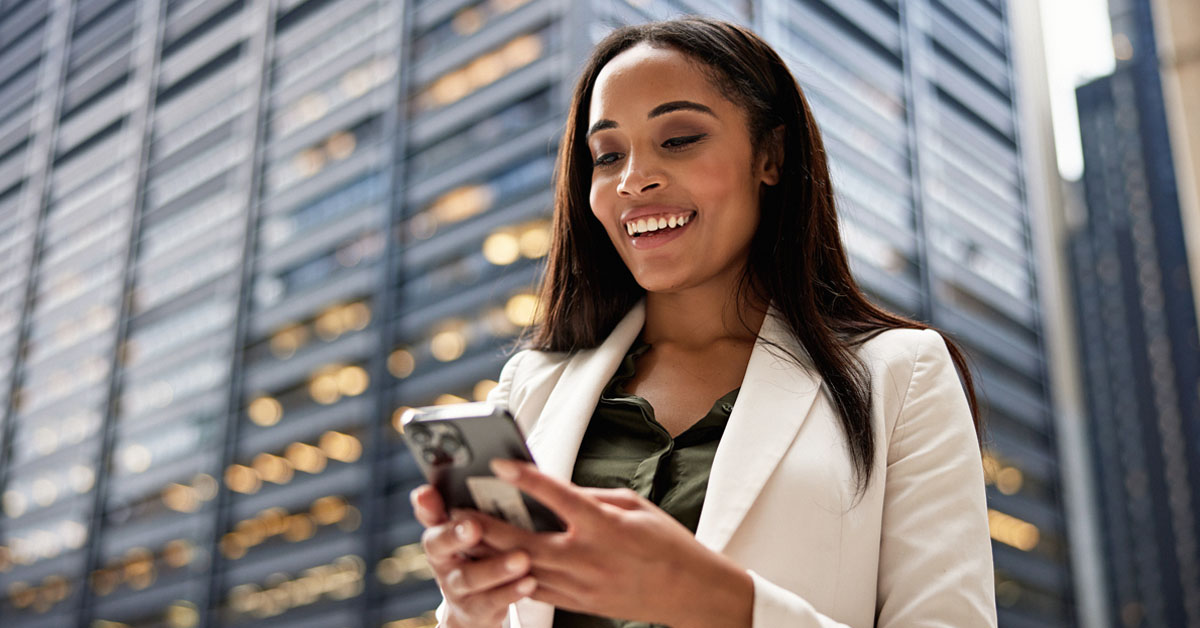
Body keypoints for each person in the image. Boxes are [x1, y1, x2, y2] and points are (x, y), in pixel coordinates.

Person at [410, 16, 996, 628]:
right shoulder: (532, 384)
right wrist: (470, 609)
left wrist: (720, 602)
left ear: (770, 155)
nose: (634, 179)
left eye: (680, 138)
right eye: (607, 154)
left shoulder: (902, 373)